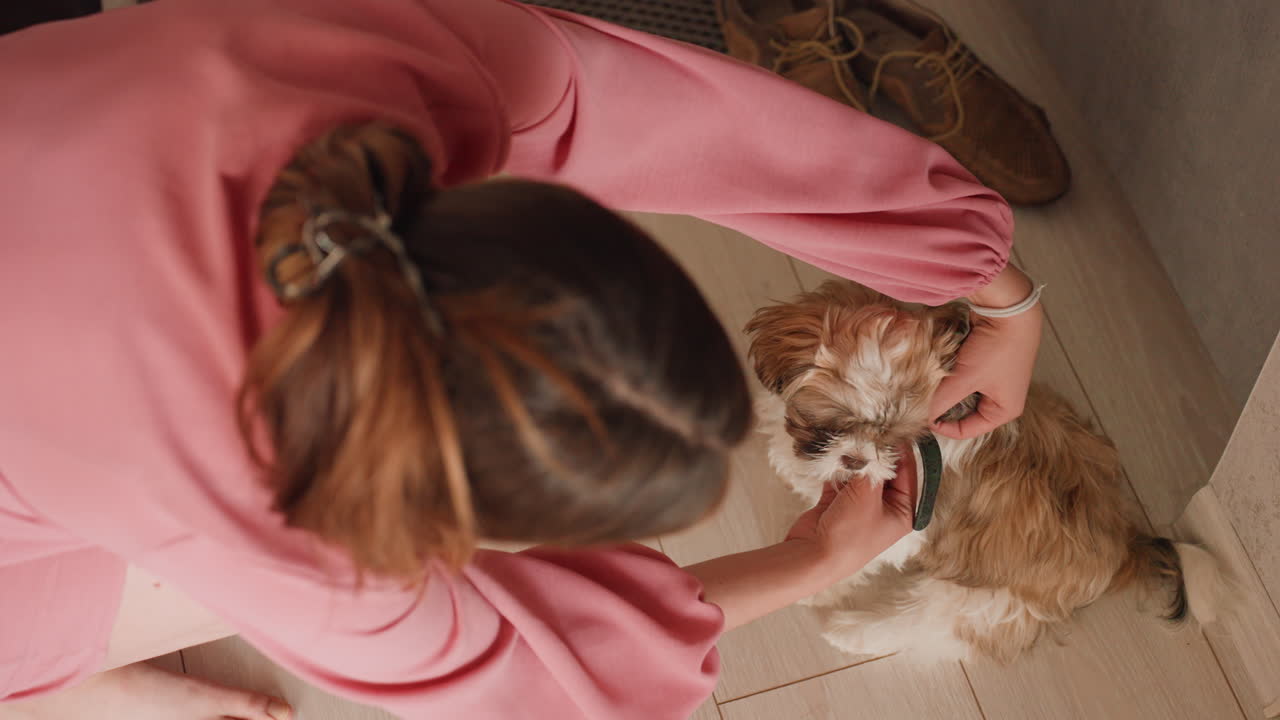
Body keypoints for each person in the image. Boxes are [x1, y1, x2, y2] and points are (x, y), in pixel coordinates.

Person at [0, 0, 1042, 718]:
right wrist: (811, 561)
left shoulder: (370, 66)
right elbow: (513, 675)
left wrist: (995, 285)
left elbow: (684, 122)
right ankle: (49, 686)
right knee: (47, 628)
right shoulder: (267, 520)